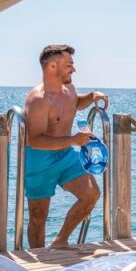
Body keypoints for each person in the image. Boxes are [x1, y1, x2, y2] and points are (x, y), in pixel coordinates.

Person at [23, 45, 108, 249]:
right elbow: (35, 140)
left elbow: (75, 103)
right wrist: (73, 140)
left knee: (91, 194)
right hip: (40, 158)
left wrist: (91, 96)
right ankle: (39, 258)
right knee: (38, 216)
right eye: (69, 65)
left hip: (66, 155)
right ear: (53, 66)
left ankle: (60, 241)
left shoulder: (69, 88)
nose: (74, 69)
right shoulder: (38, 100)